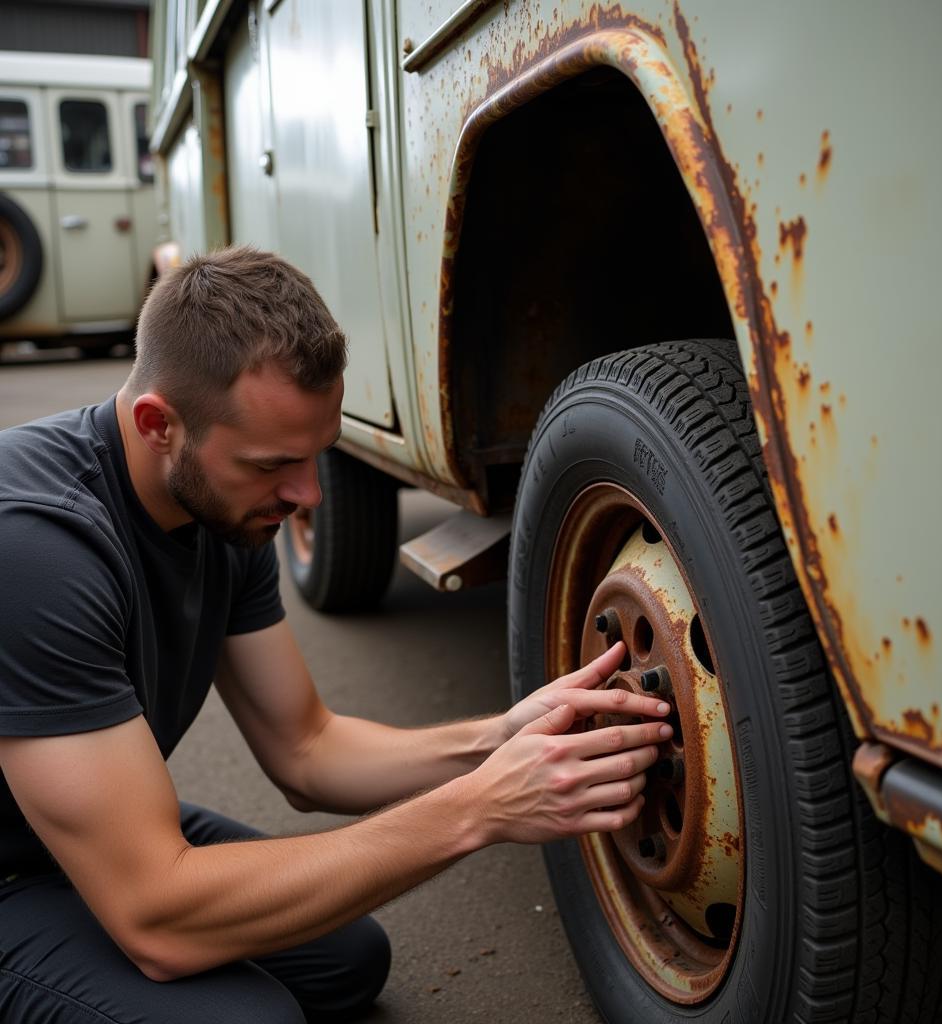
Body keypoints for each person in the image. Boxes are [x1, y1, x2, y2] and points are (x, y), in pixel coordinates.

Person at [0, 247, 672, 1023]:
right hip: (20, 872)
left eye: (318, 457)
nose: (306, 495)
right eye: (274, 464)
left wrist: (501, 736)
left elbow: (307, 750)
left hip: (74, 833)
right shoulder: (37, 548)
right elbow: (156, 917)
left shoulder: (223, 509)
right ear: (159, 425)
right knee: (248, 1016)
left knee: (346, 958)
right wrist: (480, 807)